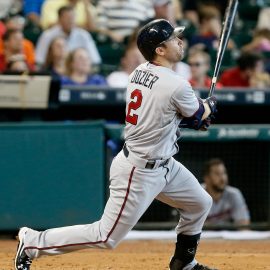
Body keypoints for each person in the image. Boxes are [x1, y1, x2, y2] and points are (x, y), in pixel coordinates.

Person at [15, 19, 218, 270]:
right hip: (139, 170)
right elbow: (199, 115)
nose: (180, 41)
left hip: (164, 165)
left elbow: (169, 115)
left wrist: (198, 115)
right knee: (106, 236)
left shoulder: (138, 72)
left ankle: (183, 262)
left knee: (200, 203)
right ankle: (32, 242)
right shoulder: (176, 84)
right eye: (173, 39)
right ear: (160, 50)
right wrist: (209, 106)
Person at [35, 5, 101, 68]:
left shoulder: (84, 35)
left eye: (73, 18)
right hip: (53, 73)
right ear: (59, 19)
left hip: (77, 74)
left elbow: (95, 60)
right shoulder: (47, 35)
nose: (71, 21)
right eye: (67, 18)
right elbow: (39, 60)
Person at [202, 158, 250, 226]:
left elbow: (244, 223)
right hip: (204, 235)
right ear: (207, 178)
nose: (223, 178)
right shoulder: (197, 195)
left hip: (227, 235)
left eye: (224, 173)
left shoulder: (234, 194)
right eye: (217, 174)